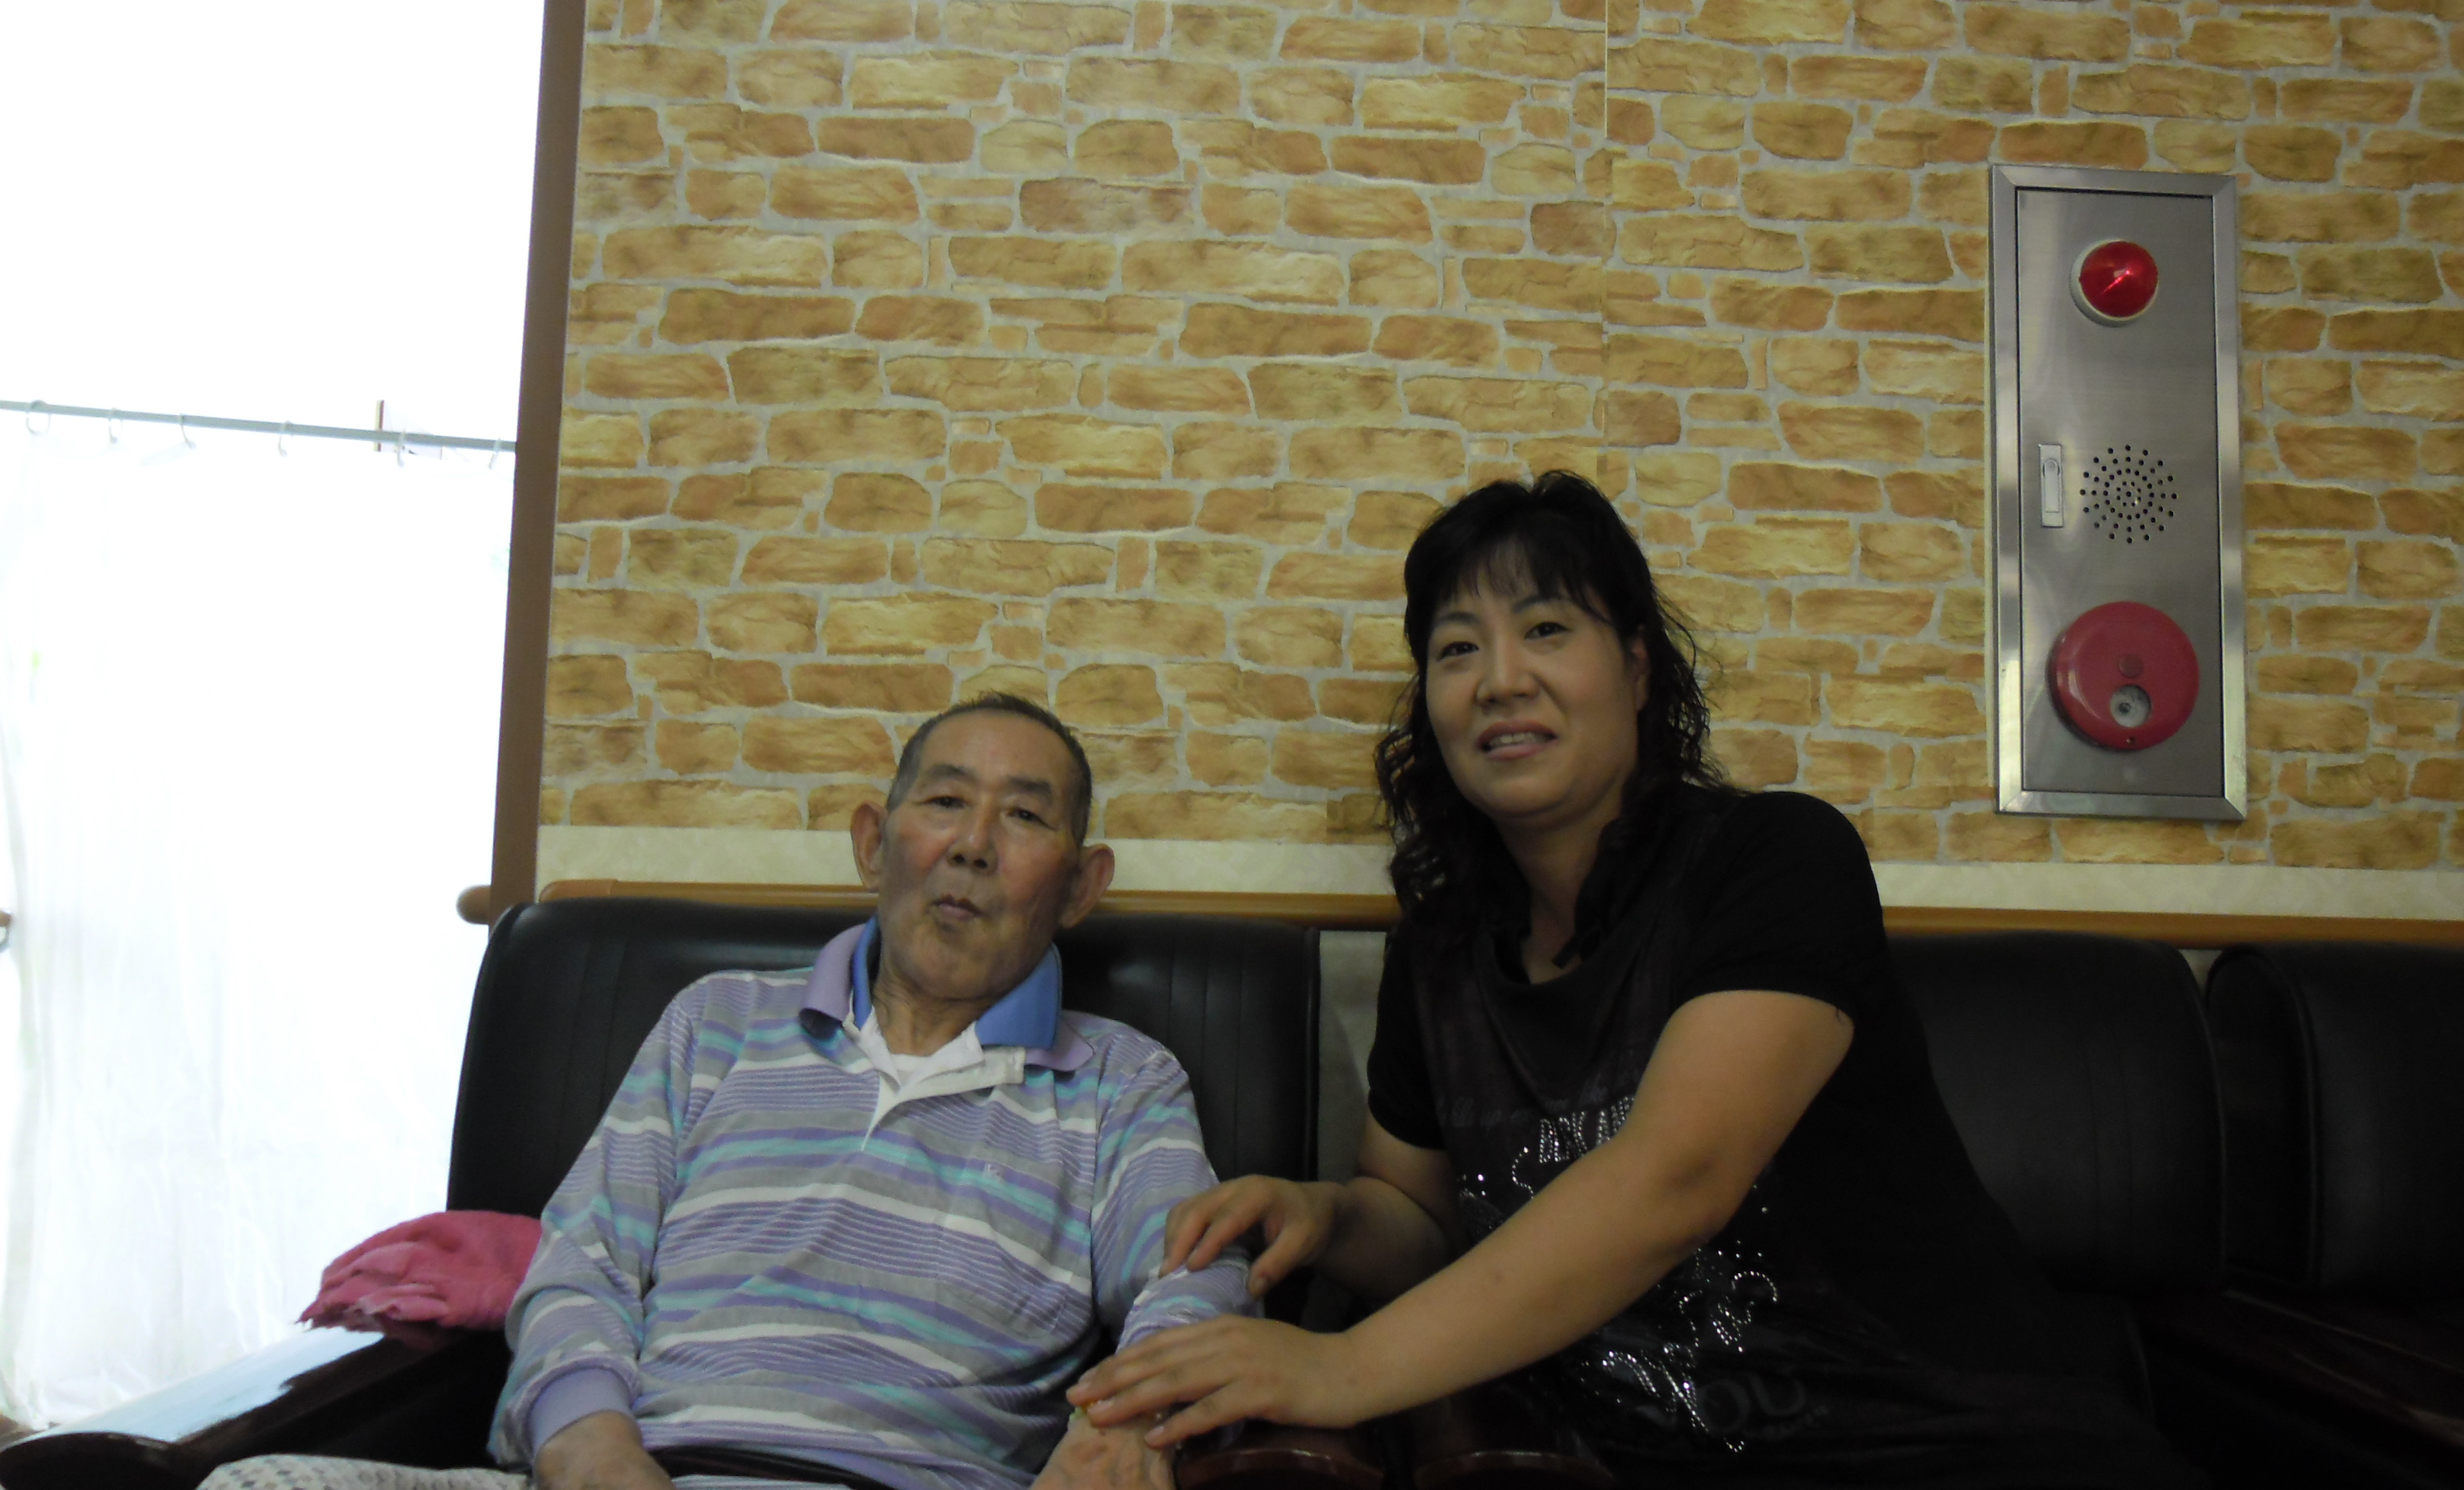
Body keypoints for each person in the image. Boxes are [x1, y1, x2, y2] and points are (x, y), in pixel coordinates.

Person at [1067, 475, 2206, 1488]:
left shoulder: (1776, 861)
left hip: (1954, 1446)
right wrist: (1318, 1217)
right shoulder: (1445, 945)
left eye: (1546, 629)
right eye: (1457, 650)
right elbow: (1418, 1216)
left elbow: (1679, 1178)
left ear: (1638, 667)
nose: (1499, 681)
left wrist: (1340, 1368)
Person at [208, 694, 1248, 1490]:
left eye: (1023, 816)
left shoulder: (1123, 1081)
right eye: (943, 803)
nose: (973, 844)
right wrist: (590, 1445)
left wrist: (1125, 1422)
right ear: (872, 844)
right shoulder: (716, 1024)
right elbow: (582, 1266)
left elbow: (1198, 1278)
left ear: (1081, 885)